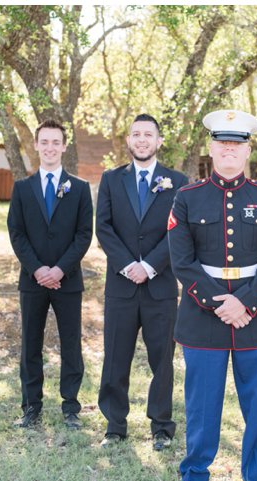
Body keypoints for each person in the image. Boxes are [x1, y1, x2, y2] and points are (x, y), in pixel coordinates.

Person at [168, 109, 257, 481]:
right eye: (222, 144)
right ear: (211, 148)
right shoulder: (186, 198)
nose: (228, 151)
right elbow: (182, 262)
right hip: (204, 317)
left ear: (247, 150)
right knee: (202, 405)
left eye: (236, 145)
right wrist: (220, 304)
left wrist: (246, 303)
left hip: (256, 317)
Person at [95, 114, 188, 450]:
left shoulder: (177, 181)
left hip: (159, 285)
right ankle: (114, 426)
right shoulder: (110, 179)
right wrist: (127, 265)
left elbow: (179, 230)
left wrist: (149, 265)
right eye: (136, 134)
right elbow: (103, 228)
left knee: (162, 358)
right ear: (129, 140)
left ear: (159, 141)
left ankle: (161, 425)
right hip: (120, 286)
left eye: (149, 134)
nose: (142, 140)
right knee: (115, 356)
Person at [7, 119, 93, 430]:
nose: (50, 148)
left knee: (71, 343)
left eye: (56, 142)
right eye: (45, 142)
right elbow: (16, 233)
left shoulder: (80, 188)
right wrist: (38, 269)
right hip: (32, 280)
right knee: (31, 343)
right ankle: (31, 407)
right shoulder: (22, 188)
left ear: (64, 146)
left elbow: (84, 235)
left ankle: (71, 407)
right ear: (36, 145)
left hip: (67, 279)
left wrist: (59, 269)